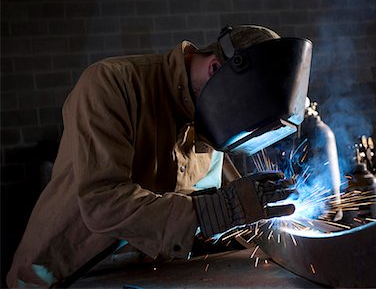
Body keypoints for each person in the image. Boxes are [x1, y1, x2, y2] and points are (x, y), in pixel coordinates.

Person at [7, 25, 295, 288]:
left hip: (148, 273)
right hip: (69, 276)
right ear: (216, 68)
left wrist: (248, 210)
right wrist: (211, 212)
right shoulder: (111, 83)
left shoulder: (209, 117)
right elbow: (102, 202)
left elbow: (218, 200)